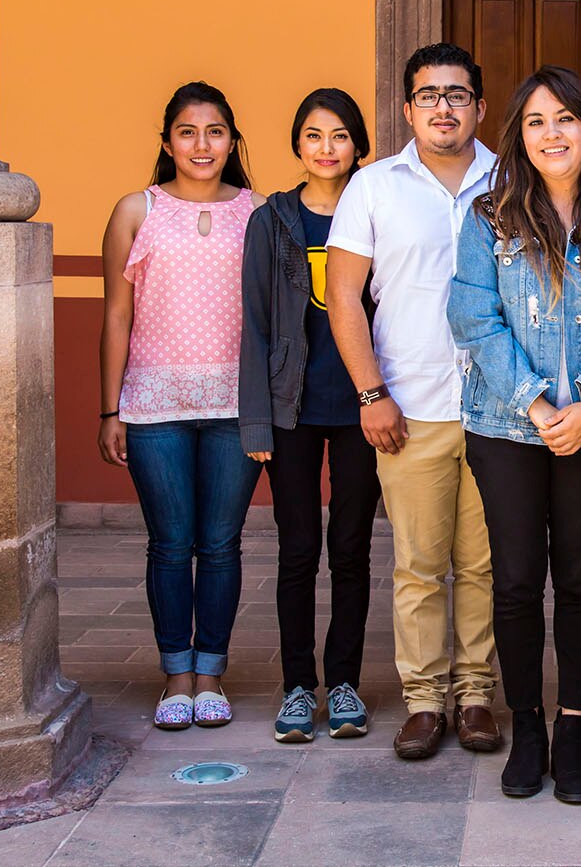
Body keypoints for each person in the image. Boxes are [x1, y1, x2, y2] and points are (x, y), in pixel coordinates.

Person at [448, 66, 581, 804]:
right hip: (504, 427)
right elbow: (472, 317)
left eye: (565, 119)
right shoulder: (490, 215)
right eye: (535, 121)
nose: (552, 133)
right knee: (517, 581)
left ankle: (575, 728)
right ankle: (527, 726)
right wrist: (533, 402)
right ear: (518, 135)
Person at [326, 43, 500, 760]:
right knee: (419, 565)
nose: (443, 108)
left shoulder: (511, 175)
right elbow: (343, 296)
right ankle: (425, 701)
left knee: (487, 564)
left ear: (479, 107)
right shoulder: (373, 186)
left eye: (457, 94)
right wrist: (371, 391)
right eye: (428, 95)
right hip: (410, 405)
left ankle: (478, 696)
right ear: (407, 108)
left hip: (498, 408)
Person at [97, 81, 264, 730]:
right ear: (167, 141)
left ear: (233, 140)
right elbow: (116, 315)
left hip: (233, 406)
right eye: (188, 132)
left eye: (215, 131)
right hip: (153, 406)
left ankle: (212, 673)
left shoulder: (258, 212)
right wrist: (109, 409)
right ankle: (175, 675)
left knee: (220, 544)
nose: (202, 144)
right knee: (170, 544)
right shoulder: (136, 211)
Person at [240, 88, 380, 743]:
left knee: (350, 549)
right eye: (314, 136)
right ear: (298, 144)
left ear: (359, 145)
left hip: (360, 409)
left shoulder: (376, 210)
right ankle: (299, 686)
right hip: (291, 410)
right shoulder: (272, 220)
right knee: (298, 551)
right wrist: (256, 422)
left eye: (340, 135)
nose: (327, 148)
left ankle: (344, 680)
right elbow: (257, 326)